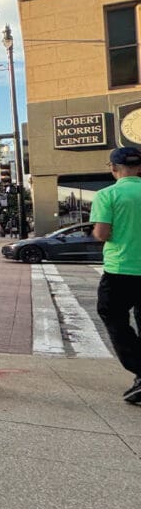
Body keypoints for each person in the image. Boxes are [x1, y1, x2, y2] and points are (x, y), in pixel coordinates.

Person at [90, 147, 141, 405]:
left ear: (113, 168)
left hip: (121, 268)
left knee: (113, 318)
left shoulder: (108, 194)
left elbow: (101, 233)